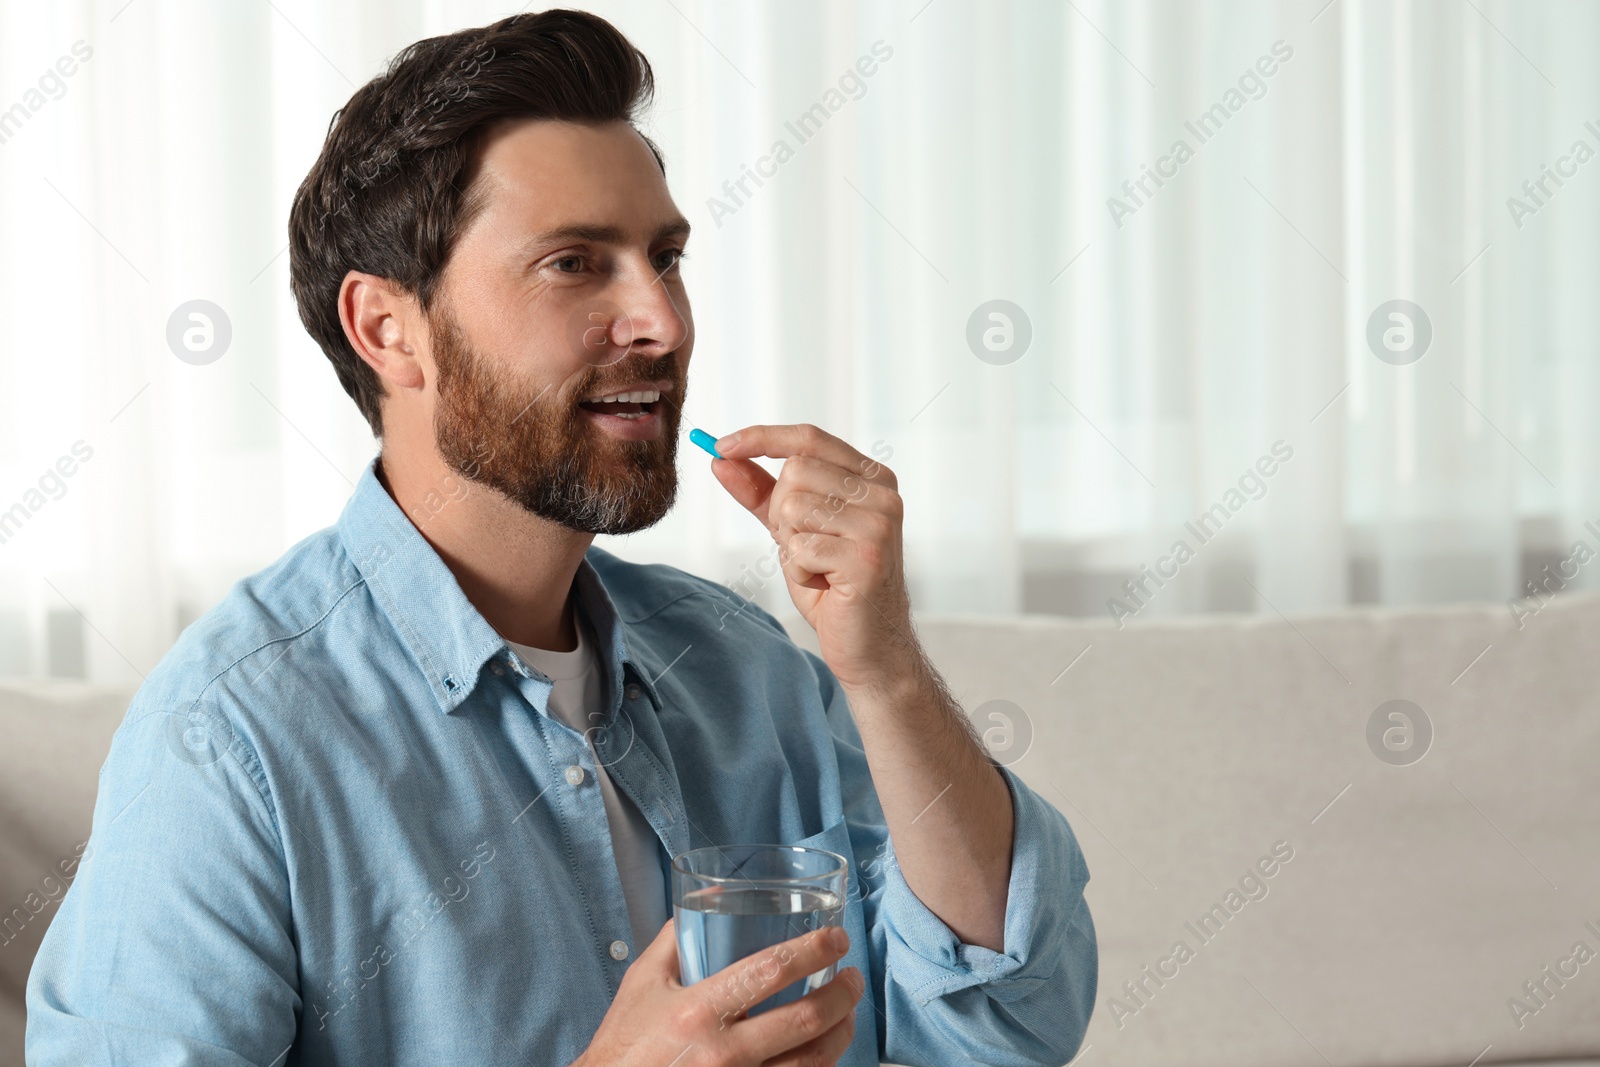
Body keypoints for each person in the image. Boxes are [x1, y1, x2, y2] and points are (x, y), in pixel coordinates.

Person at [25, 10, 1096, 1065]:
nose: (662, 323)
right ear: (388, 330)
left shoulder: (753, 671)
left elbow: (1002, 1026)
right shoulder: (232, 741)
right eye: (575, 263)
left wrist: (887, 668)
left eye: (664, 257)